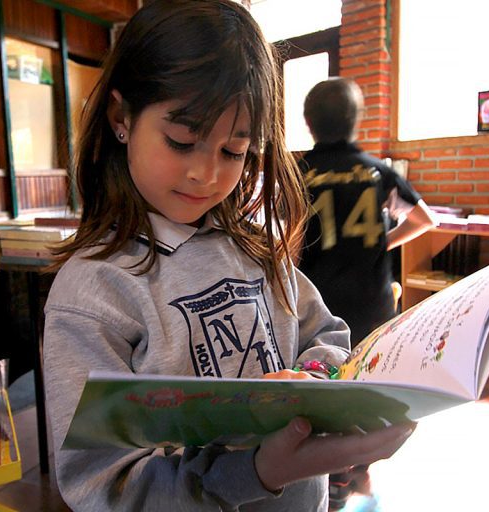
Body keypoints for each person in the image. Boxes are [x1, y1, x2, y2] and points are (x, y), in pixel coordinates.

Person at [42, 2, 416, 511]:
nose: (207, 174)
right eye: (181, 141)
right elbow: (105, 487)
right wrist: (259, 471)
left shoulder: (253, 249)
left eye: (233, 151)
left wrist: (314, 384)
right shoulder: (96, 291)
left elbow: (326, 337)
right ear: (121, 117)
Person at [299, 77, 436, 348]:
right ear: (356, 121)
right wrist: (385, 240)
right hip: (373, 302)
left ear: (308, 123)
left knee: (325, 368)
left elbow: (290, 244)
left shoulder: (298, 174)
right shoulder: (377, 172)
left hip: (320, 304)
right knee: (374, 364)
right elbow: (425, 220)